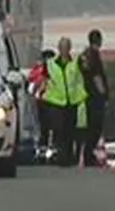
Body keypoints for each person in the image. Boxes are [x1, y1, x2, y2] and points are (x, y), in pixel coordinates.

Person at [40, 37, 89, 166]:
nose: (64, 50)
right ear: (58, 49)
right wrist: (42, 94)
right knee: (59, 130)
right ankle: (62, 157)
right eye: (62, 47)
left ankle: (68, 156)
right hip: (56, 102)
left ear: (69, 49)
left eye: (66, 47)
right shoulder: (50, 64)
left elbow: (82, 74)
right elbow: (45, 80)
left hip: (72, 101)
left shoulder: (75, 63)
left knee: (70, 130)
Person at [78, 29, 109, 166]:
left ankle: (87, 155)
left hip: (84, 95)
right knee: (95, 127)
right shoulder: (93, 56)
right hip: (94, 97)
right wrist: (103, 94)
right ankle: (88, 156)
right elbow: (96, 76)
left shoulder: (83, 56)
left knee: (89, 127)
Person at [27, 49, 56, 152]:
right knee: (45, 125)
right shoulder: (38, 71)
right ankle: (45, 145)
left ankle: (47, 145)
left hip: (51, 100)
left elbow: (31, 87)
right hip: (45, 101)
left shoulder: (40, 71)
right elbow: (32, 86)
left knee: (47, 125)